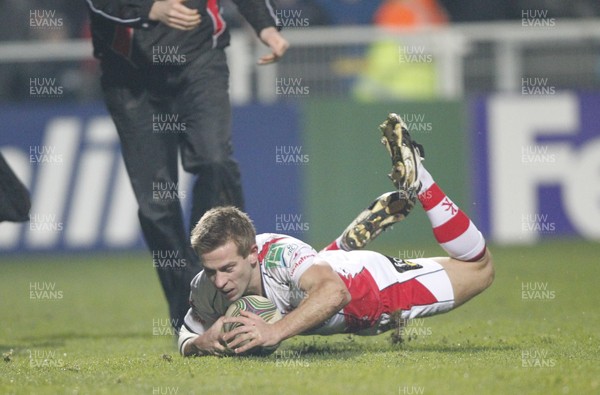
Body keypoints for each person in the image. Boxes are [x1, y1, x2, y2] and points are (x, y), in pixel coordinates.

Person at [178, 113, 494, 356]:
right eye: (211, 270)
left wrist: (274, 333)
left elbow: (335, 294)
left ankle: (420, 181)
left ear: (251, 254)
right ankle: (340, 248)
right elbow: (186, 334)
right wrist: (200, 342)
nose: (219, 281)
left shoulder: (281, 253)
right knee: (308, 275)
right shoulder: (208, 285)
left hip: (371, 290)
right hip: (326, 269)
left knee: (479, 268)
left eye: (227, 269)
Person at [85, 0, 289, 330]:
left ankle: (220, 269)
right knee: (156, 205)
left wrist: (265, 26)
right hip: (129, 75)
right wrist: (150, 9)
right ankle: (188, 309)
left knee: (215, 161)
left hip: (199, 60)